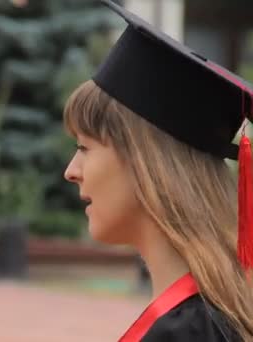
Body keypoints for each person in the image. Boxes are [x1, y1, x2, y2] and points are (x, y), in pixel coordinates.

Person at [63, 1, 253, 341]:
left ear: (144, 163)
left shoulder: (189, 331)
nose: (71, 171)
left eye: (84, 148)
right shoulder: (208, 320)